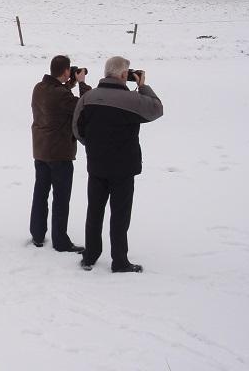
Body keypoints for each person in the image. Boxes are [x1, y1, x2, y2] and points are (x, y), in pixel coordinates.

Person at [73, 56, 163, 273]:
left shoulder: (88, 97)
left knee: (94, 211)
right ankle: (119, 261)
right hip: (123, 167)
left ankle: (90, 256)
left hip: (96, 165)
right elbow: (157, 109)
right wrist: (143, 86)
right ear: (124, 75)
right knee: (120, 215)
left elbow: (77, 128)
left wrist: (93, 146)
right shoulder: (132, 100)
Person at [29, 55, 91, 253]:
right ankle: (60, 241)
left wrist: (69, 81)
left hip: (40, 150)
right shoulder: (61, 95)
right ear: (65, 71)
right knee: (61, 198)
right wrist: (81, 83)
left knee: (40, 193)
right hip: (59, 154)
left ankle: (37, 235)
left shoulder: (39, 88)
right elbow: (84, 106)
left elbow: (58, 93)